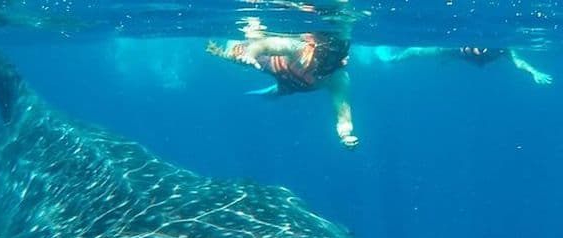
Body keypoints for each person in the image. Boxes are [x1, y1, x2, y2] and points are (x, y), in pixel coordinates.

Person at [207, 31, 359, 149]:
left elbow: (343, 115)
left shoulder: (338, 78)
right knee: (235, 54)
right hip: (272, 65)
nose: (328, 63)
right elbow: (264, 45)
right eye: (327, 56)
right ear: (318, 48)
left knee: (280, 91)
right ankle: (271, 87)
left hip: (292, 86)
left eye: (335, 58)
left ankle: (274, 91)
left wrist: (346, 136)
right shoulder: (298, 47)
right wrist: (250, 55)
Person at [360, 45, 553, 85]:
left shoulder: (503, 49)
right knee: (417, 51)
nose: (481, 49)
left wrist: (534, 72)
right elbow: (417, 51)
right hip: (452, 52)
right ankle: (387, 57)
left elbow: (519, 62)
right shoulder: (455, 48)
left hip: (457, 55)